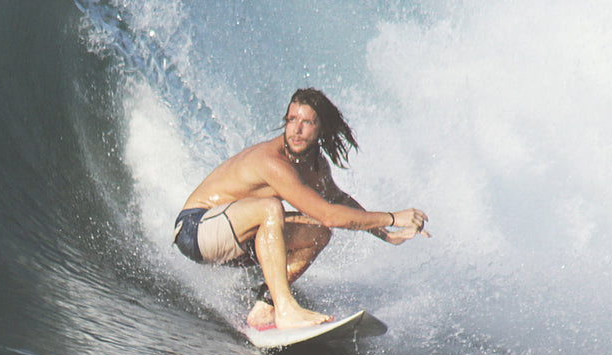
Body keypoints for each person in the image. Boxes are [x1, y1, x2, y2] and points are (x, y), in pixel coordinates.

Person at [173, 88, 429, 330]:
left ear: (322, 129)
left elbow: (338, 202)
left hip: (235, 240)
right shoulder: (272, 162)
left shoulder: (314, 165)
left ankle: (266, 306)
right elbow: (329, 215)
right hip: (196, 230)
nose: (296, 129)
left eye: (307, 122)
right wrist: (394, 217)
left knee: (318, 232)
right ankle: (286, 310)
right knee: (271, 209)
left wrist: (387, 233)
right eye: (291, 119)